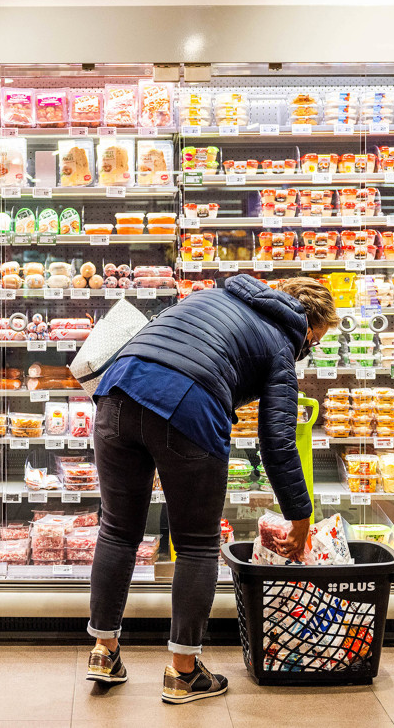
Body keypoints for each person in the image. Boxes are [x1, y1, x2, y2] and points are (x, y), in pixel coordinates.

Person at [83, 275, 337, 703]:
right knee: (198, 543)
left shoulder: (216, 296)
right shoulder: (281, 342)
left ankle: (103, 652)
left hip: (115, 390)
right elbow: (277, 442)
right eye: (312, 342)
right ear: (306, 325)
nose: (306, 351)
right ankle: (183, 673)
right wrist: (300, 515)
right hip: (187, 403)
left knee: (117, 531)